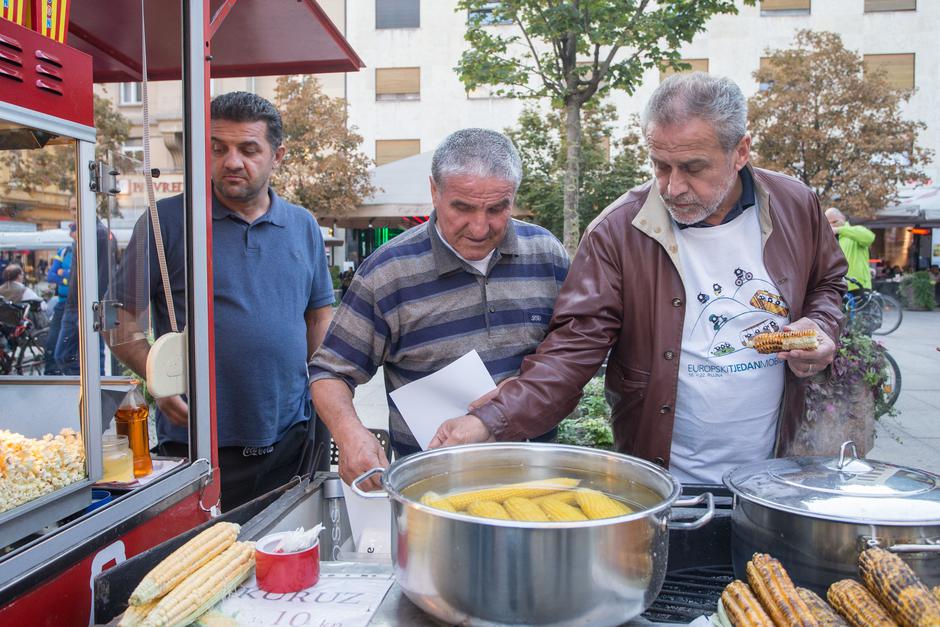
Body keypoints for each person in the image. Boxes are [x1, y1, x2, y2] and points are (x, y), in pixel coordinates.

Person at [430, 73, 847, 485]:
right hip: (662, 480)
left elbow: (827, 283)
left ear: (740, 152)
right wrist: (492, 419)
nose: (672, 186)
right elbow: (571, 353)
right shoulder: (617, 231)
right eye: (660, 165)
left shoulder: (796, 204)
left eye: (693, 167)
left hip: (774, 474)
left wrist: (821, 324)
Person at [108, 91, 335, 510]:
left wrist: (326, 393)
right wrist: (159, 383)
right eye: (218, 148)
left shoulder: (303, 225)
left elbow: (319, 316)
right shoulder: (167, 223)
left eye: (249, 149)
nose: (232, 161)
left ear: (277, 155)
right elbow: (115, 318)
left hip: (292, 440)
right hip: (197, 449)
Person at [308, 128, 570, 487]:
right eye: (462, 207)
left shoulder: (547, 254)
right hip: (431, 489)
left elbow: (570, 359)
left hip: (535, 480)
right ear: (434, 191)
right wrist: (350, 434)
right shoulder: (387, 272)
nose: (480, 227)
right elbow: (330, 372)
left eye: (497, 209)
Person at [54, 207, 116, 375]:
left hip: (83, 306)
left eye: (75, 208)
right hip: (80, 304)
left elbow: (104, 274)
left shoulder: (98, 234)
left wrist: (95, 310)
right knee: (86, 356)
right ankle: (90, 393)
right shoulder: (91, 234)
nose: (73, 212)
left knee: (68, 356)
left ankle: (89, 394)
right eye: (71, 208)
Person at [825, 207, 875, 292]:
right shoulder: (828, 239)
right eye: (828, 224)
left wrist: (839, 230)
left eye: (834, 222)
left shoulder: (855, 231)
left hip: (859, 286)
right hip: (839, 287)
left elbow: (869, 237)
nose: (832, 226)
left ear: (843, 218)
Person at [43, 238, 73, 375]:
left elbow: (79, 276)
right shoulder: (64, 251)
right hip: (62, 303)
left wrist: (63, 274)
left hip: (75, 303)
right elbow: (50, 276)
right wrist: (68, 277)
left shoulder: (86, 249)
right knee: (52, 339)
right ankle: (51, 370)